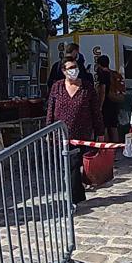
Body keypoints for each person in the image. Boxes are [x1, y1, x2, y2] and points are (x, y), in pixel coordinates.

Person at [46, 56, 104, 203]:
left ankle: (74, 198)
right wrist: (48, 130)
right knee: (69, 167)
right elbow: (50, 110)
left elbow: (95, 111)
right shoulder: (57, 87)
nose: (74, 70)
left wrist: (100, 132)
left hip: (82, 134)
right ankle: (76, 197)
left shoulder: (87, 87)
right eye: (70, 68)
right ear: (63, 71)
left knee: (75, 165)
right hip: (62, 136)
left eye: (75, 67)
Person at [95, 55, 121, 143]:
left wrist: (100, 106)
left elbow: (103, 91)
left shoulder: (103, 75)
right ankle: (116, 146)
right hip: (114, 102)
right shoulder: (113, 73)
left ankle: (106, 148)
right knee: (114, 126)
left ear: (99, 64)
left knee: (105, 126)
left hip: (106, 103)